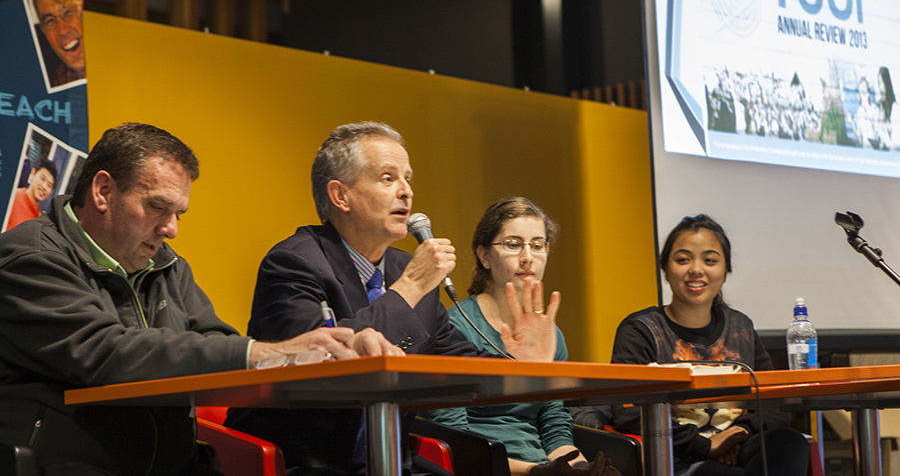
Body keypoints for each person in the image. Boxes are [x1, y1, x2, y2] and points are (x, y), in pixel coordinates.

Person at [0, 123, 396, 475]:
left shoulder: (168, 264)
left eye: (179, 213)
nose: (170, 229)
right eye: (157, 207)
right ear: (103, 191)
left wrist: (314, 352)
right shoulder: (28, 257)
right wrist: (260, 353)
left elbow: (213, 341)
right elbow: (104, 352)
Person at [226, 122, 560, 474]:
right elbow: (316, 363)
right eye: (388, 178)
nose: (406, 192)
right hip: (303, 462)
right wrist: (411, 286)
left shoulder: (405, 266)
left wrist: (522, 366)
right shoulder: (294, 262)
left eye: (408, 179)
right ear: (341, 196)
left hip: (391, 460)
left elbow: (460, 365)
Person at [573, 215, 809, 476]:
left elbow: (773, 400)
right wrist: (705, 446)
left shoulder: (741, 327)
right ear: (665, 268)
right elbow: (628, 412)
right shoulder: (640, 330)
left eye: (710, 260)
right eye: (683, 259)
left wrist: (736, 434)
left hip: (739, 448)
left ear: (726, 270)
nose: (696, 269)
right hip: (676, 456)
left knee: (789, 442)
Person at [426, 197, 619, 476]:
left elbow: (554, 423)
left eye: (538, 245)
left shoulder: (550, 334)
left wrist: (582, 468)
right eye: (513, 245)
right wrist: (536, 472)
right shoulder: (455, 327)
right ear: (484, 256)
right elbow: (455, 438)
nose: (528, 256)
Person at [33, 0, 86, 87]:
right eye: (50, 20)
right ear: (43, 31)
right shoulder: (61, 81)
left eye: (68, 12)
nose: (62, 31)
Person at [6, 158, 57, 230]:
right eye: (42, 178)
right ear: (33, 173)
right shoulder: (12, 197)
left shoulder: (39, 221)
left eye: (49, 185)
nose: (44, 187)